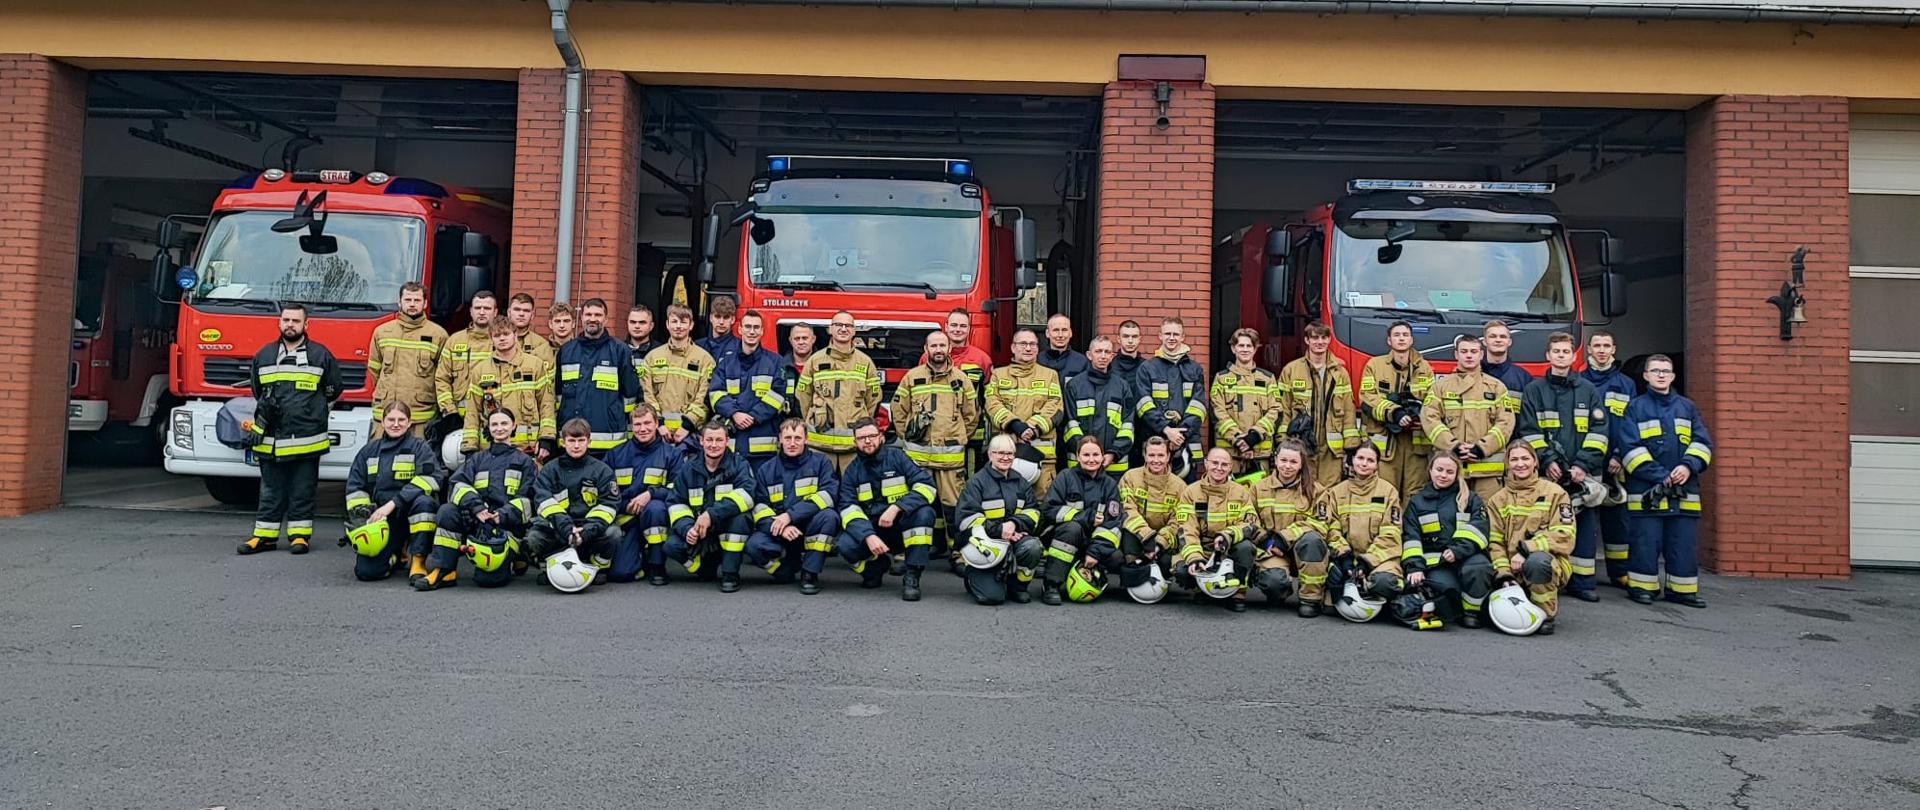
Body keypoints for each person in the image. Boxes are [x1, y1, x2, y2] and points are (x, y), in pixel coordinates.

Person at [238, 303, 343, 556]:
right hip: (270, 438)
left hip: (307, 438)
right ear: (279, 322)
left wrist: (313, 412)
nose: (290, 325)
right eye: (286, 320)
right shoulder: (264, 355)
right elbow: (257, 391)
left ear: (306, 325)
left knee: (302, 490)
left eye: (296, 321)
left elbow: (334, 389)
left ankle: (299, 536)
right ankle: (264, 537)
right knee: (270, 490)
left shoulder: (320, 355)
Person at [1518, 331, 1609, 602]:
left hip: (1580, 474)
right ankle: (1550, 578)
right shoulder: (1534, 390)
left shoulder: (1588, 390)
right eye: (1556, 352)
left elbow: (1600, 430)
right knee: (1545, 525)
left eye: (1565, 352)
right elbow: (1529, 430)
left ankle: (1582, 584)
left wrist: (1582, 465)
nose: (1561, 356)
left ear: (1573, 356)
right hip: (1550, 474)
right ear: (1548, 356)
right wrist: (1547, 460)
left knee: (1582, 528)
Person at [1618, 354, 1713, 608]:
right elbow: (1629, 449)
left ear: (1672, 376)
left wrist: (1687, 466)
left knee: (1682, 544)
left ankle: (1682, 591)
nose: (1661, 375)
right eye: (1656, 370)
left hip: (1684, 491)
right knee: (1645, 543)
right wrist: (1662, 476)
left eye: (1666, 371)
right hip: (1649, 490)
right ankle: (1642, 588)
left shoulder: (1687, 407)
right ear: (1646, 376)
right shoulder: (1635, 408)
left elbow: (1703, 443)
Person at [426, 408, 539, 590]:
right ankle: (444, 570)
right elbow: (457, 485)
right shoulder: (477, 459)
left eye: (504, 424)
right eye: (494, 424)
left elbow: (527, 500)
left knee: (488, 581)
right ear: (488, 428)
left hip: (505, 526)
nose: (499, 428)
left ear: (513, 427)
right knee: (447, 511)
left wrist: (500, 515)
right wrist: (477, 508)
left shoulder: (525, 462)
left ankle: (516, 556)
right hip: (476, 518)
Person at [893, 331, 978, 562]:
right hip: (918, 461)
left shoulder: (961, 379)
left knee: (953, 507)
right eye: (934, 345)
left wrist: (957, 435)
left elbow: (972, 416)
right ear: (926, 348)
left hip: (950, 460)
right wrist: (909, 437)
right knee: (917, 504)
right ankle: (915, 549)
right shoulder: (912, 377)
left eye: (942, 345)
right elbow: (898, 412)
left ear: (949, 348)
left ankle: (958, 551)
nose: (938, 349)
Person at [835, 418, 938, 601]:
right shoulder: (852, 471)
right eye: (862, 438)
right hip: (874, 531)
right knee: (845, 544)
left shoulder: (898, 458)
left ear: (881, 437)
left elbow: (927, 487)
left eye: (872, 436)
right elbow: (847, 508)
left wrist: (897, 507)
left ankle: (912, 575)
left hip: (900, 526)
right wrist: (868, 535)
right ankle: (875, 567)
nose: (867, 441)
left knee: (924, 513)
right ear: (855, 442)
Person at [344, 402, 441, 581]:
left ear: (409, 422)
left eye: (401, 420)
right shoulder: (368, 451)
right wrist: (364, 514)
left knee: (425, 503)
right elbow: (355, 488)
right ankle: (395, 556)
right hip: (382, 521)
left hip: (409, 514)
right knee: (367, 573)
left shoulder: (420, 448)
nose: (396, 424)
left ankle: (418, 562)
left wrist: (393, 504)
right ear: (383, 421)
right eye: (391, 419)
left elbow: (430, 479)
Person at [1485, 440, 1575, 634]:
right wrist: (1503, 573)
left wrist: (1527, 550)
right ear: (1507, 464)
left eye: (1526, 458)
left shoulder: (1555, 493)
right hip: (1510, 567)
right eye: (1514, 459)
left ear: (1535, 462)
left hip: (1548, 563)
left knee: (1537, 563)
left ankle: (1545, 614)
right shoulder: (1497, 500)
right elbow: (1495, 542)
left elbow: (1564, 535)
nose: (1520, 464)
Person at [1399, 453, 1495, 629]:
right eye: (1439, 470)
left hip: (1468, 556)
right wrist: (1415, 567)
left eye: (1449, 471)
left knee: (1478, 569)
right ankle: (1456, 607)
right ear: (1430, 471)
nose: (1443, 475)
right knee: (1446, 591)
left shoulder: (1470, 499)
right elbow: (1411, 537)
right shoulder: (1417, 502)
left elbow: (1480, 529)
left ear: (1457, 474)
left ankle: (1472, 612)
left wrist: (1458, 550)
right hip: (1437, 563)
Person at [746, 418, 842, 595]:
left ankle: (810, 573)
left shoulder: (821, 463)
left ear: (806, 440)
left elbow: (829, 496)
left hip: (809, 526)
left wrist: (790, 516)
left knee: (829, 517)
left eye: (797, 438)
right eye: (788, 438)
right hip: (781, 530)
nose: (792, 443)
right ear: (780, 439)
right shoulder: (766, 469)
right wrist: (782, 528)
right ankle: (782, 570)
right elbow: (759, 508)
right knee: (754, 545)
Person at [664, 420, 759, 591]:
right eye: (709, 440)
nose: (713, 445)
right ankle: (702, 569)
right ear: (701, 441)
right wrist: (687, 529)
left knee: (741, 518)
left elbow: (748, 495)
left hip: (726, 526)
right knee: (671, 545)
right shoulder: (689, 468)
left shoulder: (739, 464)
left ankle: (730, 573)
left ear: (727, 441)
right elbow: (676, 502)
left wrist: (710, 515)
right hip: (700, 530)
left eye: (718, 440)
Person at [525, 418, 622, 584]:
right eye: (571, 441)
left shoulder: (602, 470)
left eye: (581, 440)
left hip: (589, 531)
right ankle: (550, 570)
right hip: (560, 529)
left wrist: (585, 532)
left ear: (589, 442)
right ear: (563, 443)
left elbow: (609, 505)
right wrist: (567, 529)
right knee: (533, 537)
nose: (576, 446)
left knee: (614, 534)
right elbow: (543, 502)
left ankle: (597, 568)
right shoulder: (550, 470)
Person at [954, 434, 1047, 605]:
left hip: (1014, 539)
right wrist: (999, 530)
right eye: (1000, 453)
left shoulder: (1021, 481)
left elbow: (1034, 512)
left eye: (1010, 453)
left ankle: (1018, 587)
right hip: (986, 546)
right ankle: (972, 577)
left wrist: (1014, 524)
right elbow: (967, 519)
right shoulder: (976, 483)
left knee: (1033, 547)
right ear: (990, 455)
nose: (1005, 457)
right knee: (992, 598)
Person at [1421, 335, 1515, 500]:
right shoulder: (1440, 387)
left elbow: (1506, 424)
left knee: (1487, 517)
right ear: (1456, 355)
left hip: (1487, 470)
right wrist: (1453, 446)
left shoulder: (1497, 387)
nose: (1469, 355)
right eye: (1464, 351)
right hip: (1451, 469)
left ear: (1481, 355)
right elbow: (1430, 420)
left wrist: (1481, 448)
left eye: (1473, 351)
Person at [1245, 439, 1330, 616]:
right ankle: (1280, 590)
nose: (1287, 466)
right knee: (1273, 583)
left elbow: (1320, 523)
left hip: (1303, 550)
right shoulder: (1258, 488)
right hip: (1272, 550)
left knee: (1313, 539)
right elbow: (1249, 521)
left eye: (1293, 462)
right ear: (1275, 460)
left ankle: (1310, 599)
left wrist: (1284, 539)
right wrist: (1268, 542)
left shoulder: (1316, 490)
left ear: (1301, 465)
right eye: (1283, 460)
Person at [1037, 436, 1125, 605]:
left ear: (1102, 456)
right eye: (1086, 455)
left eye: (1095, 455)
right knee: (1073, 528)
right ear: (1077, 456)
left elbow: (1112, 524)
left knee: (1116, 557)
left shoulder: (1110, 485)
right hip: (1064, 539)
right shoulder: (1065, 477)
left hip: (1092, 543)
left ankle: (1089, 572)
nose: (1091, 460)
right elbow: (1048, 510)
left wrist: (1095, 552)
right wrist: (1086, 517)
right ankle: (1051, 585)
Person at [1317, 443, 1405, 612]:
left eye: (1370, 460)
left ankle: (1376, 595)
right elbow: (1331, 529)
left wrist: (1367, 562)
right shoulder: (1336, 493)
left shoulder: (1388, 492)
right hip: (1346, 558)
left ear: (1377, 465)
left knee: (1384, 583)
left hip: (1380, 558)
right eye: (1360, 458)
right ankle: (1354, 588)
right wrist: (1344, 557)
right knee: (1330, 606)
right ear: (1352, 461)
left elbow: (1391, 533)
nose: (1364, 464)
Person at [1580, 329, 1637, 588]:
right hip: (1587, 462)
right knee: (1585, 519)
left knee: (1617, 521)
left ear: (1613, 350)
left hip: (1615, 463)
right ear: (1589, 350)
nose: (1602, 350)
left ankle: (1619, 572)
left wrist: (1618, 455)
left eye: (1606, 346)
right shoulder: (1579, 381)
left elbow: (1630, 425)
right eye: (1597, 346)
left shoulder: (1627, 385)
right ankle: (1583, 573)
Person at [1173, 447, 1258, 611]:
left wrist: (1227, 536)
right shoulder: (1190, 492)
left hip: (1229, 549)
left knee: (1246, 548)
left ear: (1230, 467)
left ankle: (1237, 594)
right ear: (1206, 464)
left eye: (1224, 464)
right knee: (1182, 571)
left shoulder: (1241, 492)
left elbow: (1251, 523)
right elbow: (1186, 529)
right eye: (1215, 463)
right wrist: (1194, 558)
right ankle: (1201, 590)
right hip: (1203, 549)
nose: (1219, 468)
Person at [797, 310, 883, 472]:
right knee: (820, 489)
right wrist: (813, 418)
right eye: (838, 325)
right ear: (830, 329)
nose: (843, 329)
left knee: (853, 491)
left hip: (853, 446)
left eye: (848, 325)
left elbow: (874, 399)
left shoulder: (865, 362)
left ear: (854, 331)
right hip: (820, 445)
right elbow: (803, 396)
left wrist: (862, 424)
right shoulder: (815, 360)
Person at [605, 404, 682, 584]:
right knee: (621, 574)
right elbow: (605, 492)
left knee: (655, 508)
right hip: (627, 519)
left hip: (656, 516)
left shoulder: (672, 454)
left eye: (647, 423)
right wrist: (626, 506)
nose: (643, 429)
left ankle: (657, 566)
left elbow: (677, 489)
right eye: (637, 424)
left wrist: (650, 494)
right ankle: (642, 560)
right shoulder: (616, 454)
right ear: (631, 427)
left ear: (656, 424)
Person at [1359, 320, 1435, 497]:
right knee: (1383, 491)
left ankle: (1409, 526)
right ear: (1389, 341)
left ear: (1411, 340)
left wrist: (1421, 418)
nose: (1401, 339)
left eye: (1405, 335)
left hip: (1415, 444)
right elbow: (1367, 397)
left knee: (1415, 493)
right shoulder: (1374, 365)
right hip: (1386, 444)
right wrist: (1395, 413)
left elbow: (1433, 400)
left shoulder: (1424, 368)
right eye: (1397, 335)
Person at [1278, 322, 1360, 486]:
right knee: (1302, 488)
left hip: (1331, 447)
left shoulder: (1340, 372)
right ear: (1307, 340)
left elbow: (1348, 409)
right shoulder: (1291, 370)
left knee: (1329, 492)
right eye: (1315, 338)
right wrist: (1283, 441)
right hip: (1302, 443)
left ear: (1329, 340)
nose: (1319, 342)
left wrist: (1351, 446)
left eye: (1324, 337)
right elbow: (1283, 408)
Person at [555, 298, 640, 455]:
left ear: (606, 319)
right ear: (581, 318)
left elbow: (631, 396)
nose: (592, 319)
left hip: (609, 442)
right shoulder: (566, 351)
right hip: (572, 441)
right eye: (588, 314)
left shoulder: (620, 351)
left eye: (598, 315)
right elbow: (558, 397)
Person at [984, 329, 1064, 494]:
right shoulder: (998, 375)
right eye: (1023, 344)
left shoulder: (1050, 375)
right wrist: (1015, 425)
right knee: (1004, 499)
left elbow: (1055, 406)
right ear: (1013, 347)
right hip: (1005, 455)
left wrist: (1033, 428)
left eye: (1032, 344)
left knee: (1042, 502)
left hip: (1042, 455)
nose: (1028, 348)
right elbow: (992, 404)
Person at [462, 320, 555, 460]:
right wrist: (470, 446)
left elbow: (546, 404)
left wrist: (546, 438)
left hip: (529, 448)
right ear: (491, 338)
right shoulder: (480, 370)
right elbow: (472, 411)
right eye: (497, 335)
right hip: (492, 448)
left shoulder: (535, 365)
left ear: (515, 335)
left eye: (506, 334)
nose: (502, 338)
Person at [707, 309, 788, 464]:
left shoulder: (776, 361)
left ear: (762, 331)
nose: (752, 332)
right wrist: (735, 413)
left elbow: (778, 395)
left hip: (763, 448)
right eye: (748, 327)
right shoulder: (725, 363)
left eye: (756, 328)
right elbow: (715, 393)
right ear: (740, 329)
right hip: (732, 446)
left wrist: (753, 417)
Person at [367, 281, 447, 436]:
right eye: (407, 300)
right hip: (386, 414)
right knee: (380, 459)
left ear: (424, 304)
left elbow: (442, 376)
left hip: (420, 418)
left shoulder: (438, 335)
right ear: (399, 302)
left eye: (417, 300)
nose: (412, 304)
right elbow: (374, 370)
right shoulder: (382, 332)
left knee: (419, 459)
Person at [1137, 317, 1207, 478]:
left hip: (1187, 444)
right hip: (1157, 444)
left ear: (1183, 337)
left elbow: (1199, 406)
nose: (1171, 338)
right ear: (1160, 336)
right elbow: (1144, 405)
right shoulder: (1147, 368)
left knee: (1187, 498)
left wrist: (1180, 435)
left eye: (1176, 334)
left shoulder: (1195, 369)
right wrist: (1167, 430)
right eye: (1167, 333)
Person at [641, 303, 717, 445]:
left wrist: (687, 426)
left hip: (690, 436)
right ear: (667, 324)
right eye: (674, 321)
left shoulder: (705, 360)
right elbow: (647, 394)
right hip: (658, 434)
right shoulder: (652, 357)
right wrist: (659, 424)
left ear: (691, 325)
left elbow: (704, 398)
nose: (678, 326)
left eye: (683, 322)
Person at [1063, 336, 1139, 475]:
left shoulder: (1122, 386)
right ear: (1089, 355)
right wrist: (1087, 454)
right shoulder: (1074, 385)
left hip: (1114, 466)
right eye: (1098, 351)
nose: (1103, 356)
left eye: (1107, 352)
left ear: (1112, 356)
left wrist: (1114, 453)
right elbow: (1070, 424)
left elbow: (1128, 425)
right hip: (1080, 465)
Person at [1211, 328, 1282, 474]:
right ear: (1233, 348)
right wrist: (1238, 439)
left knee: (1260, 496)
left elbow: (1276, 411)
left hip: (1260, 453)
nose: (1245, 349)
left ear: (1255, 349)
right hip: (1229, 454)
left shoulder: (1267, 378)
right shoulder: (1221, 378)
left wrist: (1254, 436)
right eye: (1241, 346)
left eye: (1249, 346)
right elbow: (1216, 412)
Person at [1117, 437, 1186, 584]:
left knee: (1166, 565)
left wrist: (1159, 544)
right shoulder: (1130, 477)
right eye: (1152, 455)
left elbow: (1177, 522)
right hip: (1137, 535)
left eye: (1161, 455)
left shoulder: (1180, 487)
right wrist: (1147, 537)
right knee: (1128, 530)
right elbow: (1127, 510)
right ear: (1144, 455)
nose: (1156, 460)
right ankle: (1132, 570)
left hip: (1163, 543)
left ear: (1168, 456)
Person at [435, 290, 497, 419]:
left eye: (487, 308)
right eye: (477, 308)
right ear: (470, 311)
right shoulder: (454, 340)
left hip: (495, 419)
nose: (481, 312)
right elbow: (442, 379)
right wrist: (449, 412)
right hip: (459, 417)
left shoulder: (503, 342)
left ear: (495, 312)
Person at [1480, 320, 1532, 413]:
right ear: (1484, 341)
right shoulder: (1472, 374)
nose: (1498, 340)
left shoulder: (1524, 378)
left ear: (1509, 342)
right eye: (1493, 336)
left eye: (1503, 337)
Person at [1038, 313, 1089, 389]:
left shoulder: (1082, 362)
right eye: (1056, 330)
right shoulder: (1038, 360)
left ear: (1070, 333)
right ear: (1047, 333)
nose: (1060, 335)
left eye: (1064, 330)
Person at [506, 292, 556, 369]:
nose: (521, 314)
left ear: (532, 315)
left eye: (526, 310)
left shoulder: (541, 344)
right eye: (517, 309)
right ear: (509, 313)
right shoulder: (496, 340)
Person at [782, 322, 818, 417]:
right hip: (788, 426)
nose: (801, 342)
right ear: (790, 340)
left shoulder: (824, 366)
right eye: (797, 338)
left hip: (815, 425)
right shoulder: (780, 366)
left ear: (813, 339)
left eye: (805, 338)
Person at [697, 294, 742, 362]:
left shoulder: (740, 348)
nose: (721, 322)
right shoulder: (698, 346)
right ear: (711, 318)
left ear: (733, 319)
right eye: (717, 317)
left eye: (726, 317)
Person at [625, 306, 661, 372]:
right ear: (627, 324)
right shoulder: (617, 350)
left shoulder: (660, 351)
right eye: (633, 322)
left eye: (642, 322)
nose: (637, 326)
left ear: (651, 326)